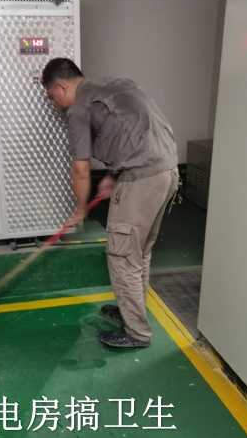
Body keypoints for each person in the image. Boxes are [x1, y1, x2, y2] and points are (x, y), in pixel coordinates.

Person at [42, 58, 179, 349]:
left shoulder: (79, 108)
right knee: (139, 252)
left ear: (62, 87)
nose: (56, 103)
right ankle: (132, 311)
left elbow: (80, 169)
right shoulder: (119, 84)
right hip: (167, 173)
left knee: (122, 256)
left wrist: (80, 209)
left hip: (140, 179)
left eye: (53, 97)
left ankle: (136, 332)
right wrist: (112, 175)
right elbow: (135, 134)